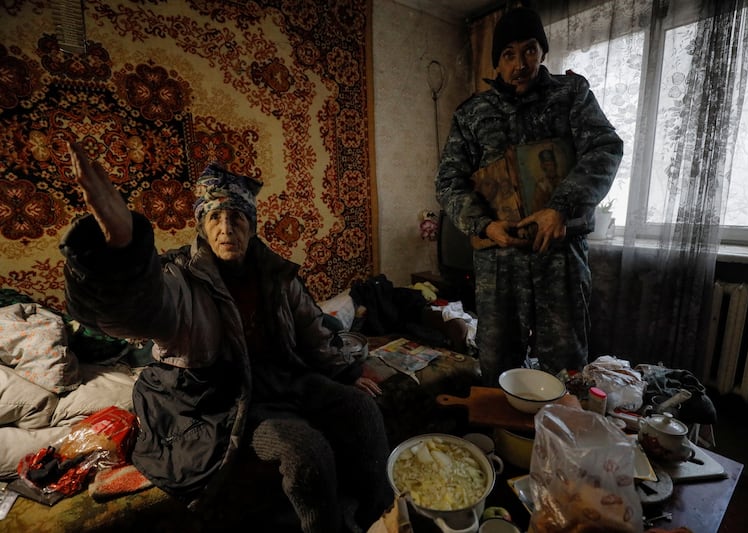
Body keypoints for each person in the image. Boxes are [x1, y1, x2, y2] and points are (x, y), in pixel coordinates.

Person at [59, 142, 393, 533]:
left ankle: (382, 517)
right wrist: (124, 253)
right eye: (214, 216)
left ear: (252, 225)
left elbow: (312, 328)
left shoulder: (274, 273)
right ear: (201, 224)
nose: (225, 227)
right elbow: (142, 312)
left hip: (279, 380)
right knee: (306, 452)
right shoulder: (180, 277)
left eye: (236, 216)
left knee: (362, 409)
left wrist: (348, 370)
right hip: (220, 399)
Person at [435, 6, 623, 385]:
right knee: (497, 367)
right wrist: (485, 226)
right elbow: (448, 181)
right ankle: (505, 442)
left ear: (542, 52)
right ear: (497, 62)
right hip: (499, 264)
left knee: (565, 370)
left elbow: (605, 148)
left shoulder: (572, 94)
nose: (520, 63)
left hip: (559, 258)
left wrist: (560, 207)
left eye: (529, 50)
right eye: (508, 54)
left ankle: (557, 442)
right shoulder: (472, 113)